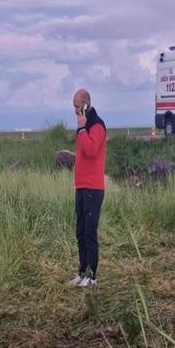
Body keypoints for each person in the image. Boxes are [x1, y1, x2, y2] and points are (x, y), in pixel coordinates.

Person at [69, 89, 107, 288]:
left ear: (85, 105)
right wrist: (81, 129)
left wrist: (83, 129)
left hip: (93, 187)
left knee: (90, 233)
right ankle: (82, 271)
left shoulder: (97, 125)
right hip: (81, 186)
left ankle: (92, 276)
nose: (74, 110)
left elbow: (91, 150)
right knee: (81, 232)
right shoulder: (82, 126)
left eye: (77, 106)